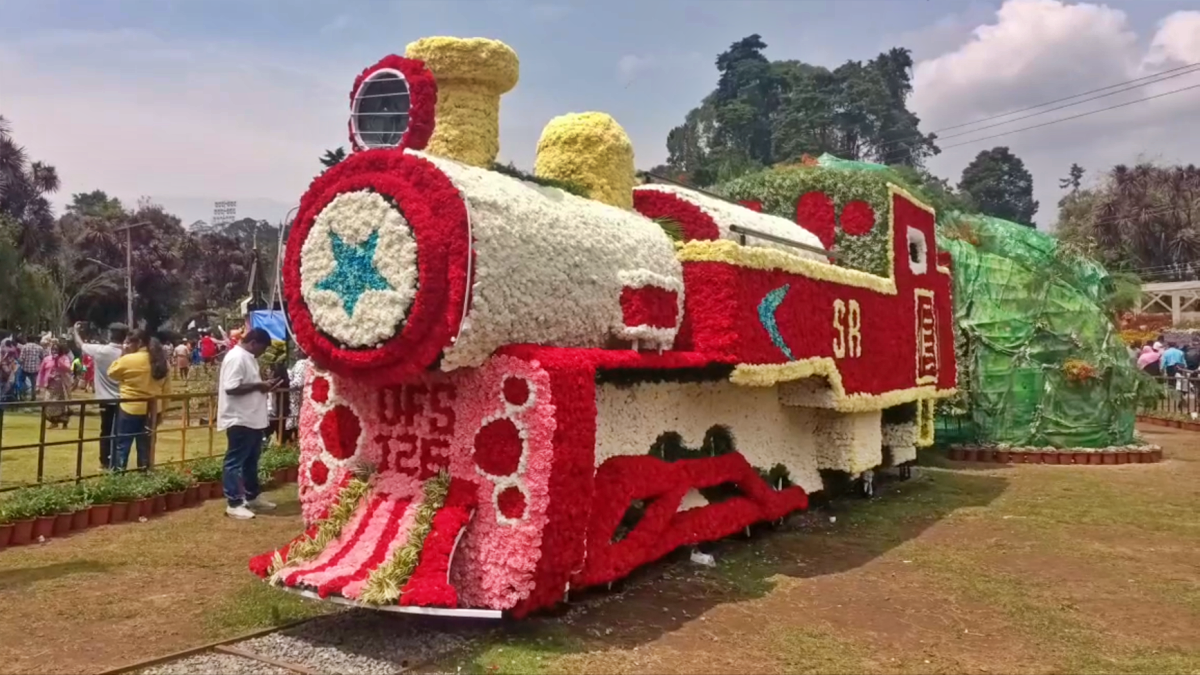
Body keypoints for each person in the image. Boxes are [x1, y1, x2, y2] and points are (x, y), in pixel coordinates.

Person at [218, 328, 280, 520]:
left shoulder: (247, 357)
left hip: (252, 418)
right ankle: (234, 502)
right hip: (239, 418)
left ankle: (252, 496)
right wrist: (259, 385)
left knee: (251, 461)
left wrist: (262, 385)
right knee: (235, 462)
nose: (261, 354)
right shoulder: (237, 357)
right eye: (261, 349)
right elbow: (231, 388)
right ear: (253, 342)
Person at [108, 329, 172, 470]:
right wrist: (163, 411)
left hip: (129, 407)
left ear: (139, 342)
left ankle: (117, 475)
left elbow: (111, 373)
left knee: (121, 444)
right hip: (153, 409)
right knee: (146, 446)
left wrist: (124, 354)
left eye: (129, 342)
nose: (127, 345)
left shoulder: (128, 359)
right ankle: (145, 474)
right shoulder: (162, 362)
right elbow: (167, 390)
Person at [74, 322, 129, 470]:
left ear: (110, 334)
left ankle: (105, 461)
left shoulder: (100, 351)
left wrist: (75, 331)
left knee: (105, 430)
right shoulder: (127, 353)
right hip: (124, 397)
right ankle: (118, 462)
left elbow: (81, 345)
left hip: (105, 397)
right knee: (120, 431)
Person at [38, 341, 74, 428]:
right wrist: (38, 385)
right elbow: (41, 372)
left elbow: (68, 368)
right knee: (48, 403)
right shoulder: (47, 359)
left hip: (62, 385)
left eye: (56, 349)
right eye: (53, 349)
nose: (54, 351)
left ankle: (64, 423)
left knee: (62, 404)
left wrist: (58, 360)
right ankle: (53, 421)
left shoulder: (64, 358)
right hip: (50, 385)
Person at [17, 335, 44, 401]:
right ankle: (33, 397)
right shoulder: (39, 348)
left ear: (27, 339)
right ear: (34, 340)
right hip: (35, 369)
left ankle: (22, 396)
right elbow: (42, 357)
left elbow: (21, 359)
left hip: (25, 368)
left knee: (21, 381)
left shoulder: (24, 347)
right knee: (33, 384)